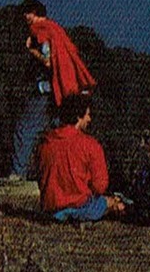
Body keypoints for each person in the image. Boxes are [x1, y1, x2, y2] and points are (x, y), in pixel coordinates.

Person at [8, 0, 96, 181]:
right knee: (61, 135)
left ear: (35, 13)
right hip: (66, 92)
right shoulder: (57, 29)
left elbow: (49, 62)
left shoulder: (41, 30)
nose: (25, 16)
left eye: (28, 12)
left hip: (49, 90)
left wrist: (31, 51)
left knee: (24, 129)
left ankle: (17, 176)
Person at [38, 94, 125, 223]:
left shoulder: (45, 143)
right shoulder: (90, 145)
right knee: (111, 202)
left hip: (51, 208)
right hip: (81, 206)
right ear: (79, 116)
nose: (89, 119)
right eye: (88, 114)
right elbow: (100, 186)